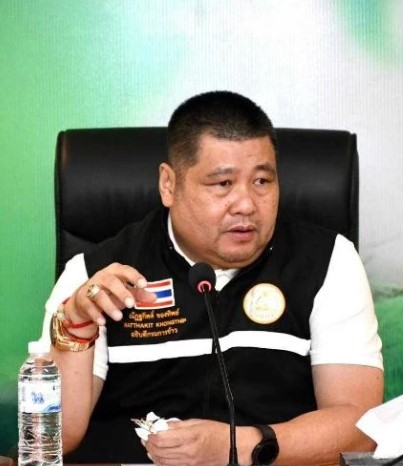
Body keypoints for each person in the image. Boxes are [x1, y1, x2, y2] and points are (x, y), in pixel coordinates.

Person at [41, 90, 383, 466]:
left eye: (262, 181)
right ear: (169, 184)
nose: (246, 204)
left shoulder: (326, 261)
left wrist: (240, 446)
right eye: (222, 184)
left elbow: (360, 429)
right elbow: (52, 440)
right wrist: (76, 328)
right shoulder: (93, 276)